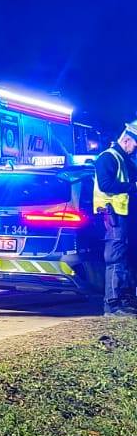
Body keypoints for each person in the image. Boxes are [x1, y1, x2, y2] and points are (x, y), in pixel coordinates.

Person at [94, 119, 137, 315]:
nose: (135, 150)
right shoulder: (108, 157)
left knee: (124, 258)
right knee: (115, 259)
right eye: (135, 145)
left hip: (123, 215)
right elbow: (105, 185)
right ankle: (112, 305)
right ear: (127, 140)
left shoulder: (124, 159)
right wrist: (132, 187)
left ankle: (125, 301)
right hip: (113, 216)